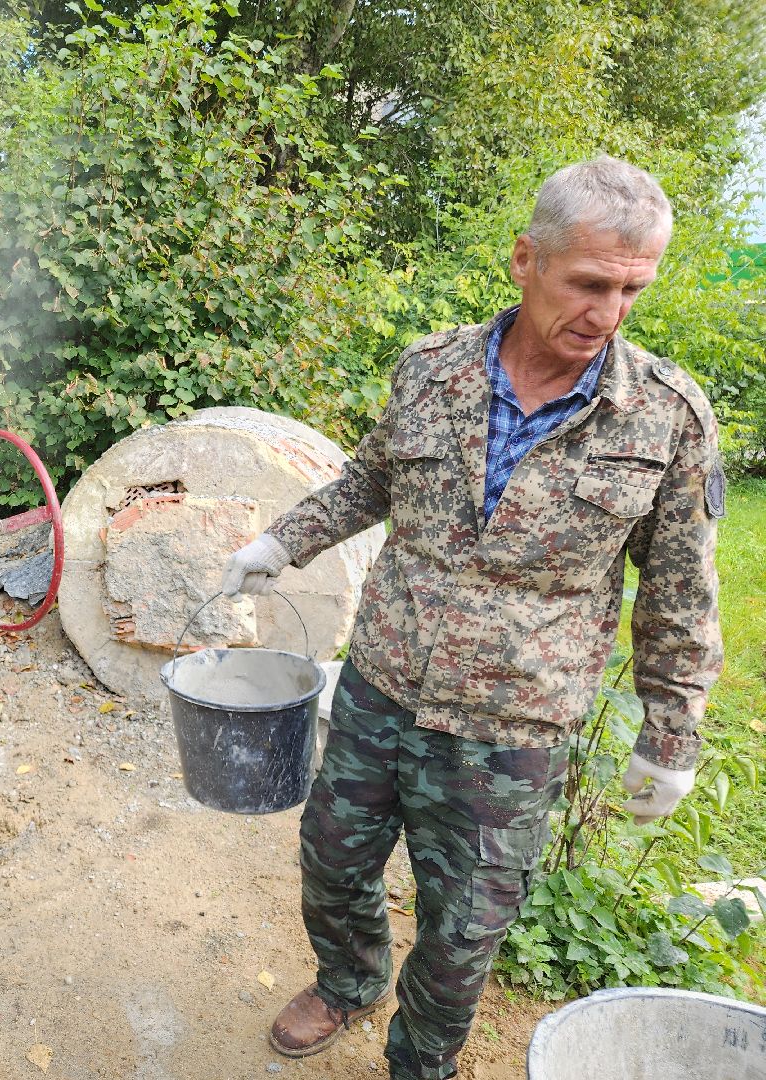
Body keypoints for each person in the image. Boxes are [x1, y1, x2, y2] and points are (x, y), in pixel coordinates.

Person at [219, 156, 725, 1080]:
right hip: (382, 683)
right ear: (525, 260)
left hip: (512, 728)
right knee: (332, 862)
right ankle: (347, 979)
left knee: (462, 933)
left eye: (630, 290)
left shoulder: (666, 419)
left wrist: (671, 737)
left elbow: (683, 596)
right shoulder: (430, 372)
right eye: (588, 284)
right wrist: (279, 543)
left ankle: (423, 1063)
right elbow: (370, 480)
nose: (607, 315)